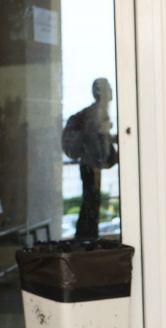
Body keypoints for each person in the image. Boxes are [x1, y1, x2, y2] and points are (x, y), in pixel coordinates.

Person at [61, 78, 118, 240]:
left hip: (92, 165)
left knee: (92, 202)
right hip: (91, 166)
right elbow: (94, 140)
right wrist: (104, 161)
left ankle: (88, 237)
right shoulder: (96, 113)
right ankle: (86, 238)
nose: (112, 91)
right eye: (108, 88)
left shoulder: (100, 111)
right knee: (90, 202)